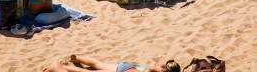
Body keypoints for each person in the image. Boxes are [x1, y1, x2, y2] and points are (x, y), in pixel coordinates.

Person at [44, 57, 180, 72]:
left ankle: (75, 58)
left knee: (98, 63)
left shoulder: (153, 69)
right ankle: (56, 67)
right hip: (124, 71)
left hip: (126, 67)